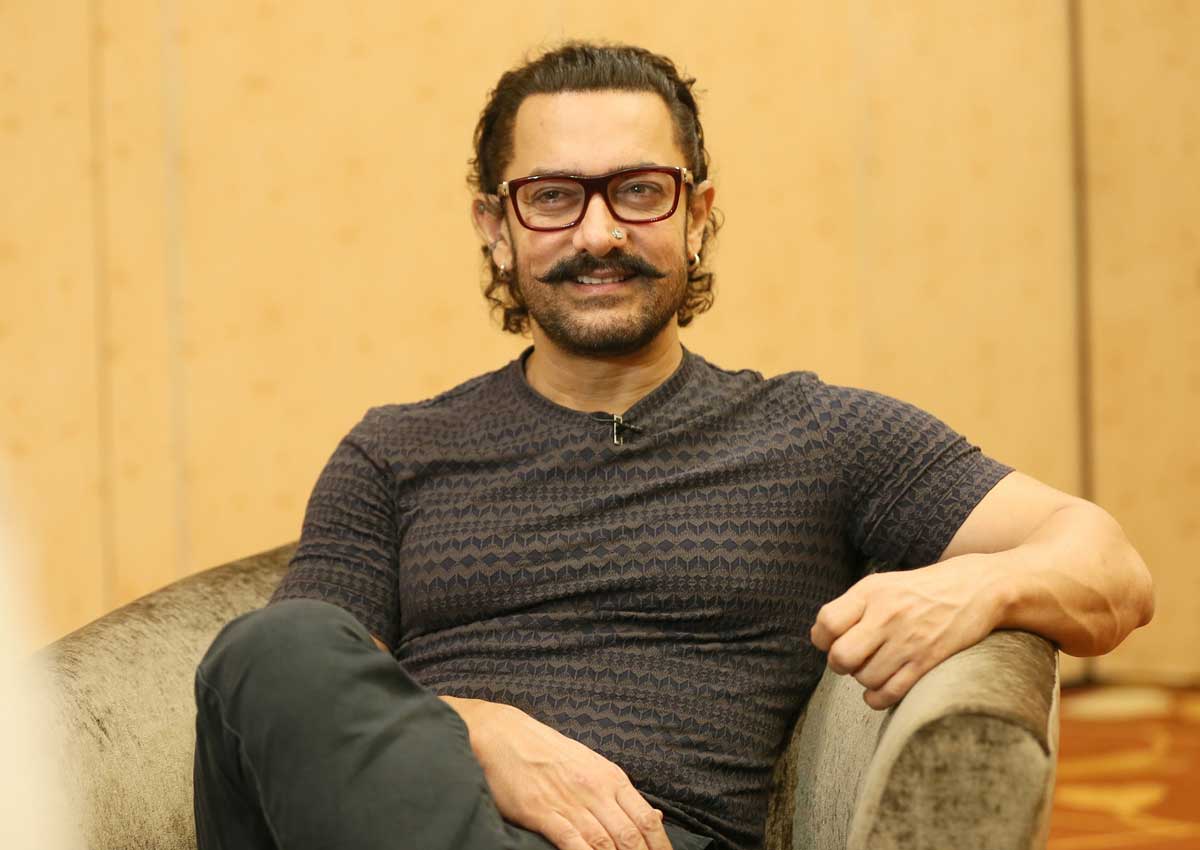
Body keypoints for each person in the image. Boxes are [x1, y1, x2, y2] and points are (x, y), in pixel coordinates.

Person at [192, 42, 1154, 850]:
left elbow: (1110, 567)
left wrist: (982, 585)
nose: (600, 232)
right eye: (553, 197)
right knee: (272, 646)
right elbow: (312, 689)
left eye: (640, 191)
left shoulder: (816, 434)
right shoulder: (396, 452)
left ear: (696, 215)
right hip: (417, 822)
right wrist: (480, 733)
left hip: (656, 838)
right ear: (496, 228)